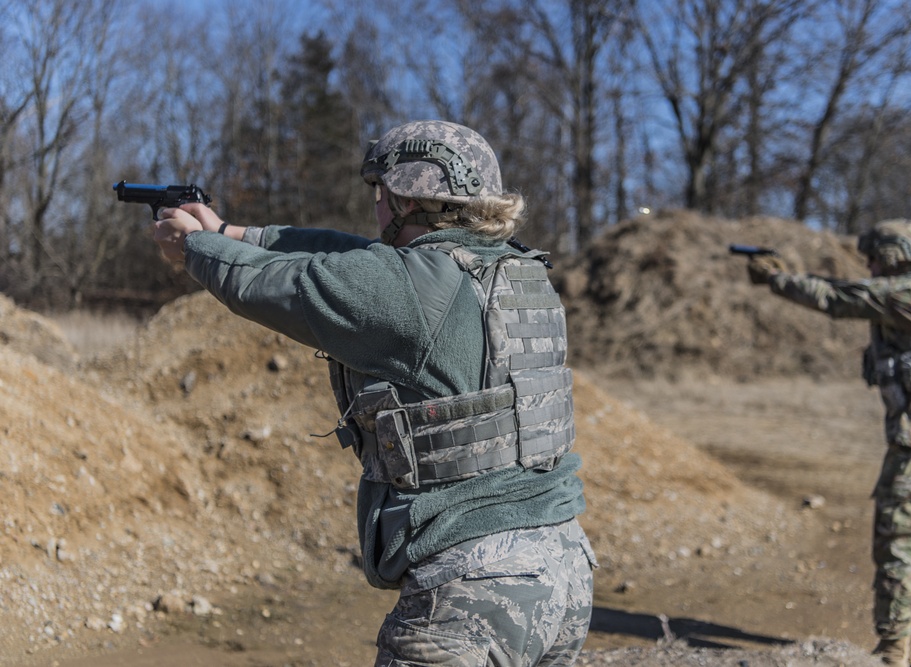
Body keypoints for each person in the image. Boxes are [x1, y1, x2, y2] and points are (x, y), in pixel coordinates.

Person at [152, 120, 596, 666]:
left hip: (472, 588)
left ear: (403, 198)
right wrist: (235, 232)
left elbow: (281, 284)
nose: (376, 205)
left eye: (379, 192)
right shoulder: (518, 274)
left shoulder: (407, 288)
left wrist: (195, 246)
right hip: (563, 571)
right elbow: (351, 256)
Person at [746, 219, 911, 667]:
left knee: (897, 541)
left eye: (876, 258)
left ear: (898, 254)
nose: (872, 266)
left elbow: (836, 298)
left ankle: (893, 652)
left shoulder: (905, 294)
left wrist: (776, 279)